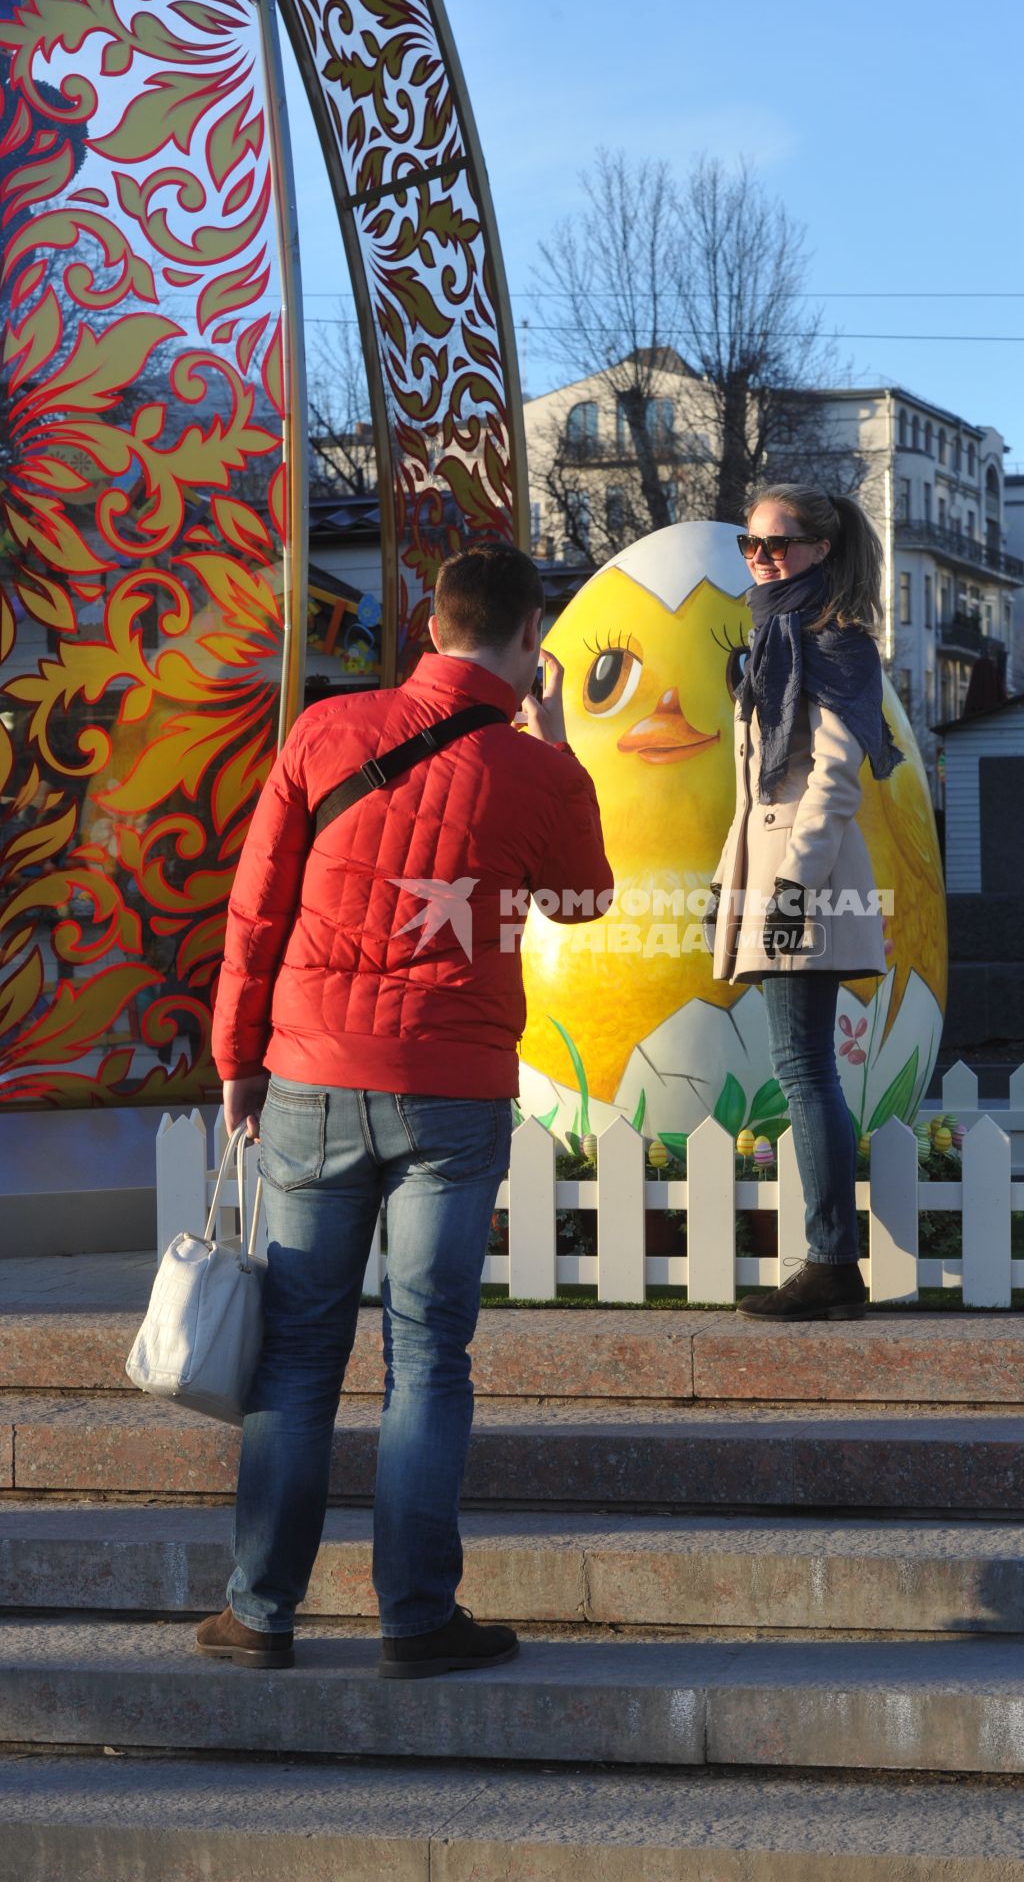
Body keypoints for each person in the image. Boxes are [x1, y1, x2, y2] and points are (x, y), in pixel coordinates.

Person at [200, 542, 612, 1674]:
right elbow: (584, 904)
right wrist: (561, 755)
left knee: (294, 1358)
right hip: (451, 1091)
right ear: (531, 643)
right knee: (428, 1356)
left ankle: (258, 1613)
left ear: (433, 627)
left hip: (312, 1076)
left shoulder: (326, 732)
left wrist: (239, 1059)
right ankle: (416, 1618)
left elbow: (253, 911)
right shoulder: (541, 774)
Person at [706, 484, 902, 1322]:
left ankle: (830, 1266)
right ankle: (831, 1262)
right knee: (803, 1068)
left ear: (820, 548)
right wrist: (734, 882)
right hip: (772, 874)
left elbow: (828, 785)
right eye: (751, 546)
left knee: (802, 1069)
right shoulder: (770, 642)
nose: (761, 559)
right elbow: (754, 793)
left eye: (777, 546)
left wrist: (787, 889)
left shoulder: (832, 644)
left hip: (800, 881)